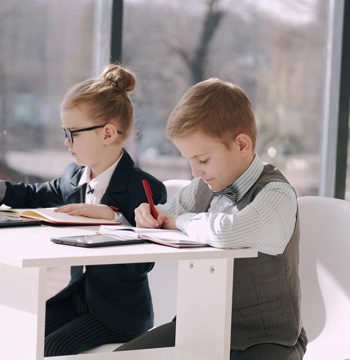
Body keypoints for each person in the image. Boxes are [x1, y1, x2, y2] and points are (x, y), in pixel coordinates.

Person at [0, 64, 167, 356]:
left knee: (49, 348)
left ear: (108, 133)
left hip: (119, 314)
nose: (66, 142)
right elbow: (35, 194)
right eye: (65, 132)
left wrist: (114, 219)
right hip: (77, 299)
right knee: (16, 330)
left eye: (73, 133)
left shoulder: (145, 188)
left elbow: (143, 263)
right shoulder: (73, 176)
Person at [115, 78, 307, 360]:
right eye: (190, 161)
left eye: (202, 160)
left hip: (267, 340)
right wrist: (149, 215)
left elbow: (229, 232)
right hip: (200, 328)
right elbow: (165, 215)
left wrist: (178, 221)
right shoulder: (204, 186)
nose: (195, 172)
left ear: (242, 144)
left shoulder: (276, 193)